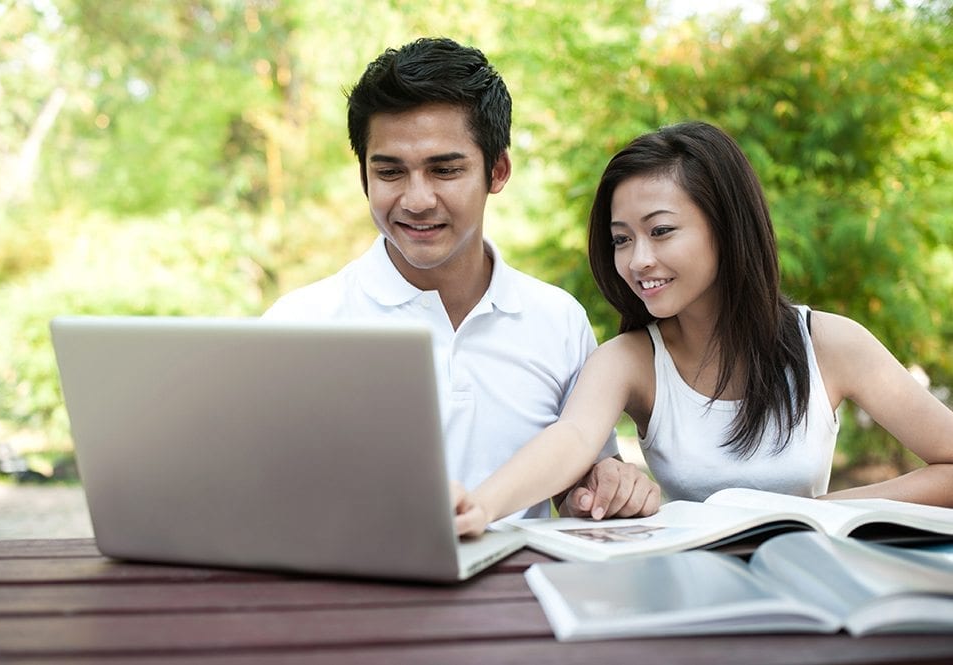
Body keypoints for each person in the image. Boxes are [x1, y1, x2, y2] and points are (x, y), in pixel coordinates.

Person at [455, 120, 953, 536]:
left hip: (814, 581)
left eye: (661, 230)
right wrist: (481, 506)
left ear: (726, 226)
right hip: (687, 589)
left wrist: (816, 512)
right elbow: (571, 439)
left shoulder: (827, 343)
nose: (638, 260)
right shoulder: (629, 360)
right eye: (622, 239)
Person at [263, 37, 659, 519]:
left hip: (518, 592)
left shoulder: (558, 321)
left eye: (444, 170)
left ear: (498, 170)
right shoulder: (300, 323)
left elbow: (581, 482)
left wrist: (610, 483)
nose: (416, 199)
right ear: (365, 176)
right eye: (390, 172)